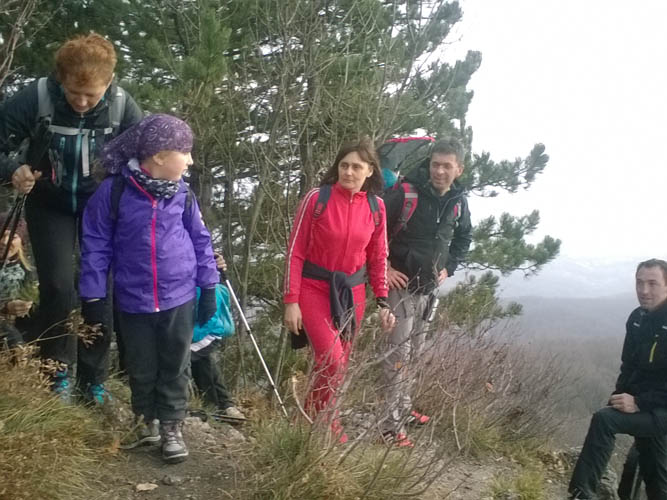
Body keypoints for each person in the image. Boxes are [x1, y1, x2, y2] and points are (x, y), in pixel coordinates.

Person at [0, 33, 143, 402]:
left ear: (109, 82)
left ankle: (93, 380)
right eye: (73, 92)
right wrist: (14, 169)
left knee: (98, 288)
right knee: (58, 286)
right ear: (59, 78)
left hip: (100, 207)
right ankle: (55, 371)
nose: (80, 102)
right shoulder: (37, 97)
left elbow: (143, 161)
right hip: (49, 203)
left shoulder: (122, 106)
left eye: (90, 95)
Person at [79, 114, 219, 464]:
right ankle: (146, 421)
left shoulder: (183, 194)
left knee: (175, 363)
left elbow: (201, 241)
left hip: (178, 296)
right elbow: (95, 246)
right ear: (158, 156)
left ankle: (172, 426)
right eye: (185, 152)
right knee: (140, 365)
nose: (190, 161)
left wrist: (209, 286)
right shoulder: (113, 192)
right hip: (132, 298)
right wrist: (93, 295)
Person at [283, 139, 396, 443]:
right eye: (344, 165)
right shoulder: (316, 199)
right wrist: (291, 300)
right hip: (314, 288)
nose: (348, 172)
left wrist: (382, 301)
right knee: (331, 359)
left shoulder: (376, 207)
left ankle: (312, 423)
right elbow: (295, 251)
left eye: (356, 167)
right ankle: (319, 422)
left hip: (352, 292)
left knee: (339, 365)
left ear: (370, 171)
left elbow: (378, 256)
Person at [380, 138, 472, 447]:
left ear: (459, 169)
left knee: (414, 353)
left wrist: (450, 267)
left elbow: (464, 236)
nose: (439, 171)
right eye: (435, 164)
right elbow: (375, 229)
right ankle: (389, 427)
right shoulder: (406, 192)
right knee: (397, 355)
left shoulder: (458, 200)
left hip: (429, 289)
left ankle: (403, 409)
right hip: (401, 286)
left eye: (447, 166)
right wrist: (385, 268)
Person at [569, 258, 667, 500]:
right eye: (639, 283)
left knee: (605, 421)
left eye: (652, 283)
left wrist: (639, 403)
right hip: (647, 406)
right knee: (655, 479)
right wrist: (618, 397)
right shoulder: (637, 318)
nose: (644, 290)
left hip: (660, 408)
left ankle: (581, 494)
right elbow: (629, 366)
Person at [190, 252, 245, 421]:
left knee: (194, 352)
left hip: (203, 320)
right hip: (192, 318)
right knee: (199, 355)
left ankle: (217, 405)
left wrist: (212, 263)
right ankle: (223, 405)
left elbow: (206, 254)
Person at [0, 214, 35, 350]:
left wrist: (28, 305)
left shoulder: (27, 271)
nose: (5, 242)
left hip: (19, 327)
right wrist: (5, 307)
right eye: (2, 235)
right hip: (7, 332)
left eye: (13, 237)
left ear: (21, 242)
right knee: (13, 339)